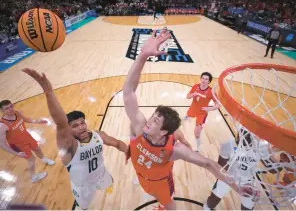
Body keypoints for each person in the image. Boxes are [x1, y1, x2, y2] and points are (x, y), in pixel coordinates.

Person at [123, 30, 257, 210]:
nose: (149, 121)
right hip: (141, 175)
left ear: (163, 132)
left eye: (155, 121)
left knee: (170, 206)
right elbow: (129, 92)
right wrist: (142, 56)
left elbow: (208, 163)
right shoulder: (139, 127)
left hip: (161, 182)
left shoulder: (174, 150)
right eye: (153, 116)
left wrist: (237, 186)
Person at [22, 68, 129, 210]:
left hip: (101, 174)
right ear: (69, 129)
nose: (81, 127)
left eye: (82, 123)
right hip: (82, 186)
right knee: (84, 207)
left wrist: (128, 150)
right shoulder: (69, 145)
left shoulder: (98, 135)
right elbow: (60, 123)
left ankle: (107, 186)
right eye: (75, 126)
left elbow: (116, 143)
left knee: (109, 183)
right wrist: (48, 92)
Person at [0, 100, 55, 183]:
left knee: (37, 148)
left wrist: (37, 121)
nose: (11, 109)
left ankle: (44, 159)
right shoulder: (2, 125)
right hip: (18, 145)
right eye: (7, 108)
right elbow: (2, 144)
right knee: (31, 159)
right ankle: (33, 177)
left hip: (27, 137)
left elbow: (26, 119)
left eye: (11, 106)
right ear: (2, 111)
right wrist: (16, 153)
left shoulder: (17, 113)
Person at [185, 72, 220, 151]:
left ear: (209, 81)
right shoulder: (195, 86)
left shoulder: (211, 91)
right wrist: (192, 95)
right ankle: (187, 117)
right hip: (192, 110)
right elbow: (188, 97)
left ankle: (198, 147)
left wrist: (209, 109)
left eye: (206, 79)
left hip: (202, 113)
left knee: (197, 133)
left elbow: (218, 104)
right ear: (200, 79)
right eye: (202, 78)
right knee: (187, 117)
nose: (204, 80)